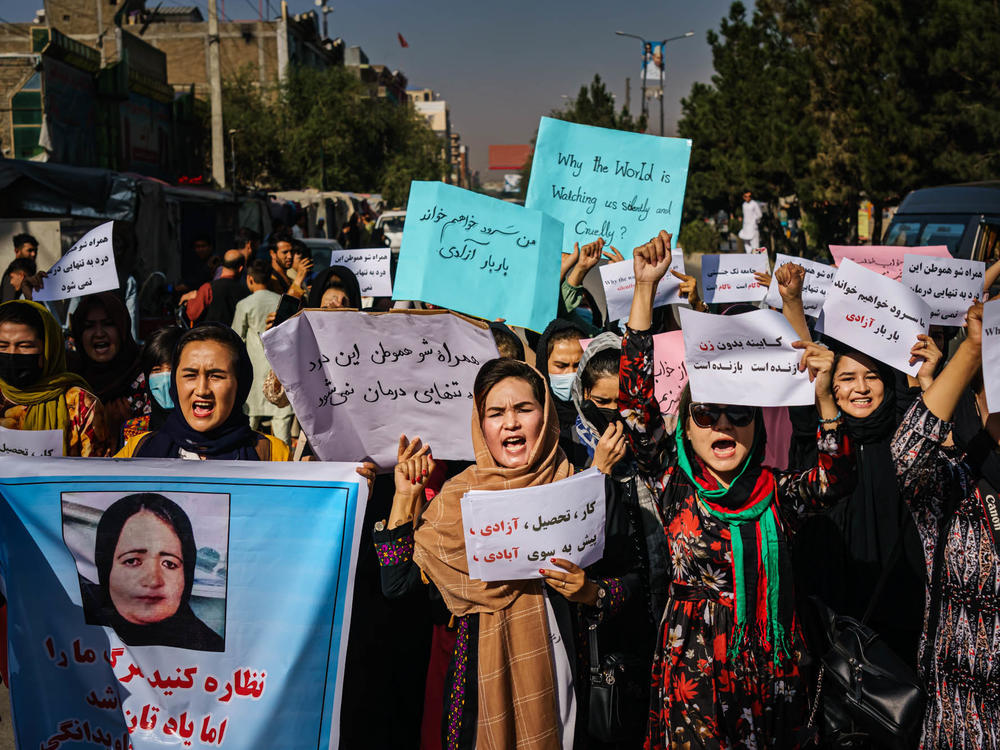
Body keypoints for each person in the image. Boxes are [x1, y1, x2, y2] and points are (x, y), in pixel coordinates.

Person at [619, 231, 856, 748]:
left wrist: (826, 402)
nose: (722, 426)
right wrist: (643, 292)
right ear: (686, 424)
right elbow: (637, 411)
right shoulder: (672, 481)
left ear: (756, 426)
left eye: (738, 415)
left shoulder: (777, 493)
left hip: (771, 681)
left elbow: (836, 478)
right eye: (706, 414)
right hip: (695, 678)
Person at [376, 357, 629, 749]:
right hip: (482, 693)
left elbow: (629, 581)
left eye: (523, 409)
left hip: (565, 687)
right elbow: (397, 586)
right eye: (495, 413)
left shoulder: (582, 487)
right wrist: (404, 499)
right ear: (481, 426)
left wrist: (590, 593)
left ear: (544, 417)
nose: (510, 422)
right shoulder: (457, 500)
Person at [891, 299, 999, 749]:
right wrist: (973, 348)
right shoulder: (955, 482)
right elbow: (908, 452)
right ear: (978, 397)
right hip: (962, 723)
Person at [116, 324, 289, 461]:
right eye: (190, 375)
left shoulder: (272, 454)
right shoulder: (137, 450)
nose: (202, 390)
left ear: (240, 384)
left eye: (216, 376)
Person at [79, 492, 224, 651]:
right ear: (106, 568)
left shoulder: (211, 648)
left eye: (169, 564)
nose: (154, 580)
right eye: (132, 561)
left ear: (186, 575)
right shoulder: (73, 618)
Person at [0, 300, 109, 456]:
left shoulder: (80, 405)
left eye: (25, 346)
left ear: (48, 349)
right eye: (2, 346)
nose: (12, 354)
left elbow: (95, 472)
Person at [69, 292, 151, 448]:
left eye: (108, 323)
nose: (99, 333)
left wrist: (123, 430)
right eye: (89, 326)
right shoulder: (70, 383)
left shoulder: (147, 381)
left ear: (122, 328)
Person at [233, 260, 293, 445]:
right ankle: (285, 463)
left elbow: (236, 336)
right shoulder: (281, 301)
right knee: (282, 423)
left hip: (254, 367)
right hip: (278, 368)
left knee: (250, 422)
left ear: (250, 279)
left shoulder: (245, 304)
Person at [534, 319, 589, 469]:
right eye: (561, 366)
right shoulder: (535, 417)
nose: (571, 374)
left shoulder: (599, 412)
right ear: (544, 364)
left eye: (578, 365)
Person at [181, 249, 249, 326]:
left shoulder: (208, 288)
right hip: (234, 336)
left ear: (222, 265)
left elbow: (192, 314)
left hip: (211, 335)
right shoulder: (245, 291)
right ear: (241, 269)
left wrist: (191, 301)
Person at [140, 326, 184, 433]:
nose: (165, 379)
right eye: (156, 370)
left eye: (172, 369)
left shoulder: (203, 429)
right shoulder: (131, 431)